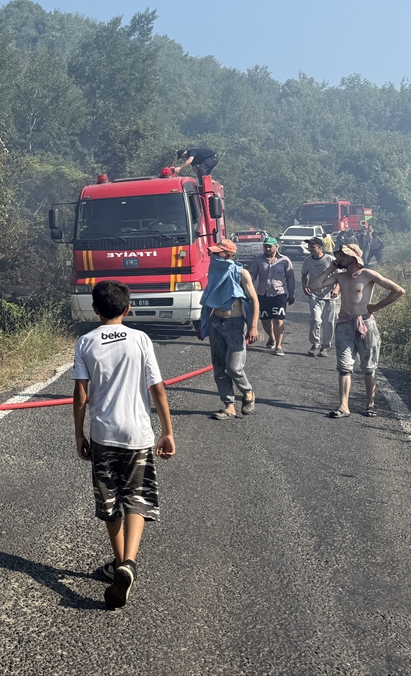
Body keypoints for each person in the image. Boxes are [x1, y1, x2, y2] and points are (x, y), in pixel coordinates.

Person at [73, 280, 175, 610]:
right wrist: (167, 431)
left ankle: (120, 563)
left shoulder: (85, 342)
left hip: (103, 434)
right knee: (136, 497)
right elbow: (157, 388)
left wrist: (79, 434)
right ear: (128, 309)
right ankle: (128, 564)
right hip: (137, 435)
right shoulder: (140, 339)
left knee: (110, 501)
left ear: (95, 309)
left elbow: (81, 395)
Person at [311, 243, 405, 418]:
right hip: (344, 324)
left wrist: (376, 307)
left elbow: (398, 290)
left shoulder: (368, 274)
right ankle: (344, 406)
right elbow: (315, 285)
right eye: (338, 255)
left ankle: (370, 405)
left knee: (368, 367)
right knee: (344, 367)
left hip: (365, 324)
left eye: (343, 255)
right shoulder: (339, 276)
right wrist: (331, 268)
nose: (339, 258)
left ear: (353, 257)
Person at [196, 239, 260, 419]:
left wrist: (253, 326)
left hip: (235, 325)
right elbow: (208, 299)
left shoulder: (241, 273)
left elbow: (254, 300)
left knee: (234, 368)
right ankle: (229, 406)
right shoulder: (214, 272)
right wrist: (203, 324)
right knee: (219, 368)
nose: (214, 256)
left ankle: (248, 392)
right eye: (214, 253)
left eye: (218, 253)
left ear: (228, 255)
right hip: (216, 323)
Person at [248, 237, 294, 355]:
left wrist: (291, 294)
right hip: (263, 294)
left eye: (270, 246)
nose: (267, 249)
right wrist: (247, 285)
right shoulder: (258, 260)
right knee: (265, 321)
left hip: (279, 294)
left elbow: (290, 278)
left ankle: (278, 346)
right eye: (265, 246)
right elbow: (253, 275)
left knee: (278, 320)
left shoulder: (285, 260)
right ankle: (272, 337)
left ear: (276, 246)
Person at [300, 236, 339, 357]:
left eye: (312, 246)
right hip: (314, 295)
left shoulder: (330, 259)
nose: (310, 248)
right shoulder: (307, 261)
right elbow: (304, 275)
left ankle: (325, 346)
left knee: (329, 322)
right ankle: (315, 344)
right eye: (309, 246)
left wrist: (337, 288)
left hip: (330, 296)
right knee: (316, 320)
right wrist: (304, 286)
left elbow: (339, 276)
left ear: (320, 247)